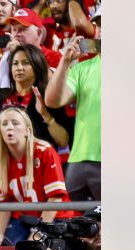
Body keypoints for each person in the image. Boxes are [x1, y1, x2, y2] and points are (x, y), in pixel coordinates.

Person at [0, 106, 69, 246]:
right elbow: (5, 204)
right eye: (4, 124)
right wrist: (0, 235)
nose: (9, 128)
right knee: (7, 247)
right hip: (24, 219)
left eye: (15, 123)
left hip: (54, 218)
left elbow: (55, 198)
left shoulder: (45, 152)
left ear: (27, 130)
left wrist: (38, 233)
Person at [45, 29, 101, 201]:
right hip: (78, 159)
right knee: (74, 224)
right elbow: (53, 100)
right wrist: (65, 62)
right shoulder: (82, 68)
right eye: (99, 26)